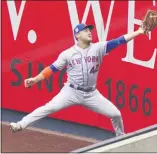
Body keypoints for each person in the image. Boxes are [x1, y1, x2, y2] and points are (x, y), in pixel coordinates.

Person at [10, 23, 146, 136]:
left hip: (91, 94)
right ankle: (21, 124)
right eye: (85, 30)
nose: (89, 32)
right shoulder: (68, 54)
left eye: (89, 30)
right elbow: (52, 69)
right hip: (71, 91)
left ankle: (121, 140)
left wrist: (138, 32)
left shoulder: (98, 48)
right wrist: (36, 79)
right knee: (49, 108)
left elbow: (119, 41)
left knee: (115, 114)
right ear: (77, 35)